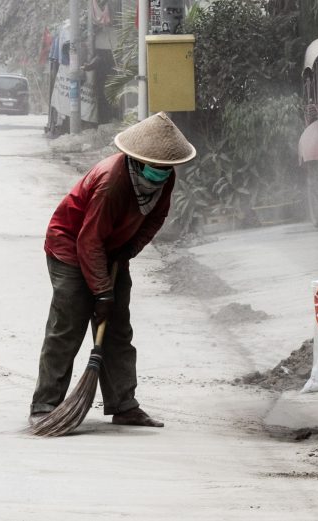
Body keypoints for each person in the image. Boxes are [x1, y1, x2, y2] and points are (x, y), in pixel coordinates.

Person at [30, 112, 196, 428]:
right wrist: (102, 292)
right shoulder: (112, 181)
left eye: (166, 167)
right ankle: (45, 405)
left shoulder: (164, 177)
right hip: (71, 248)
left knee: (117, 327)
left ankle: (124, 405)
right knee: (69, 325)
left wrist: (128, 250)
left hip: (112, 249)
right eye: (156, 166)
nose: (162, 172)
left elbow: (155, 219)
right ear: (139, 159)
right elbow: (88, 241)